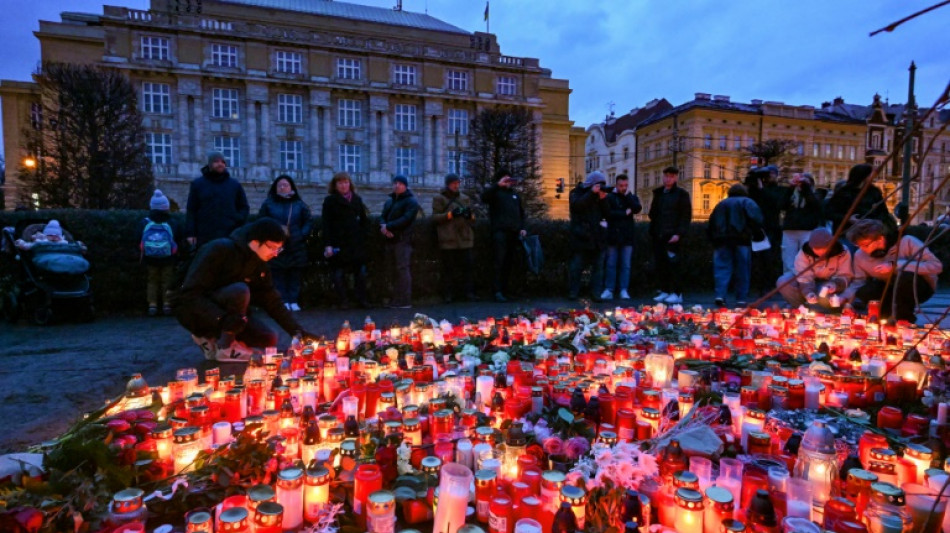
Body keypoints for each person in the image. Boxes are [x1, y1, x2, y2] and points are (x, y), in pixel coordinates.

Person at [171, 218, 315, 362]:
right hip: (194, 311)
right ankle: (225, 348)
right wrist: (221, 319)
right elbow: (189, 295)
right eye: (271, 247)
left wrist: (298, 333)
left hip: (228, 317)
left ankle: (211, 339)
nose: (275, 253)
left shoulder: (260, 264)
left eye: (279, 249)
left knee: (268, 337)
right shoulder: (220, 250)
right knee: (240, 291)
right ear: (254, 242)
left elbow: (271, 300)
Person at [841, 219, 942, 323]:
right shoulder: (860, 255)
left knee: (905, 279)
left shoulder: (907, 242)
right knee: (867, 290)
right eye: (859, 245)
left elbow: (936, 266)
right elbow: (858, 282)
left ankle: (904, 321)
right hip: (889, 287)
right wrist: (844, 297)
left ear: (880, 239)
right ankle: (882, 319)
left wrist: (896, 265)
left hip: (917, 286)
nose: (862, 249)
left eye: (865, 245)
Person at [259, 175, 313, 311]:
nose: (283, 187)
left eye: (286, 185)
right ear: (275, 188)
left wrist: (301, 234)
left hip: (295, 243)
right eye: (280, 185)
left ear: (291, 187)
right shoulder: (268, 203)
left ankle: (293, 300)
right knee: (278, 274)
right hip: (275, 244)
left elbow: (308, 221)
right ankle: (282, 301)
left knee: (295, 274)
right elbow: (261, 222)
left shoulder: (299, 204)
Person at [706, 184, 764, 307]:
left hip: (721, 240)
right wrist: (756, 234)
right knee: (742, 269)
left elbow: (711, 223)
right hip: (742, 240)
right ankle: (741, 298)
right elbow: (757, 220)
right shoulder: (748, 202)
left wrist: (713, 239)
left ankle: (720, 295)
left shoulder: (721, 204)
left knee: (721, 269)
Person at [322, 172, 371, 309]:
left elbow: (364, 220)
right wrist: (328, 245)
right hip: (339, 242)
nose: (344, 185)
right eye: (340, 183)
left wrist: (364, 235)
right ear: (335, 185)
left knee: (360, 273)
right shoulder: (330, 201)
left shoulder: (356, 199)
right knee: (338, 274)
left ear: (350, 184)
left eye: (346, 182)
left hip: (356, 243)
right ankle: (343, 301)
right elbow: (326, 224)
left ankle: (362, 300)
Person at [776, 227, 853, 312]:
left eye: (824, 251)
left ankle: (826, 310)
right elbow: (804, 278)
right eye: (816, 250)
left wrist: (834, 285)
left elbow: (845, 275)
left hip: (829, 285)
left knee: (824, 297)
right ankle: (801, 308)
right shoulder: (804, 252)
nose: (820, 255)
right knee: (783, 281)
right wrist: (808, 293)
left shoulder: (842, 252)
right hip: (810, 283)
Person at [184, 151, 250, 249]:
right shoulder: (198, 184)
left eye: (223, 162)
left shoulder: (234, 185)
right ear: (210, 164)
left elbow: (244, 207)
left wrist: (237, 218)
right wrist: (191, 233)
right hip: (205, 233)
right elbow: (191, 210)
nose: (220, 164)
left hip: (230, 232)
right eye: (216, 161)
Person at [481, 168, 527, 302]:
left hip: (514, 234)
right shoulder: (495, 193)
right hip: (500, 233)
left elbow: (521, 214)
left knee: (509, 264)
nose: (508, 182)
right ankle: (497, 291)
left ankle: (507, 290)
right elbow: (484, 197)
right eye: (505, 180)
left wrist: (522, 228)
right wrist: (497, 185)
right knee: (499, 262)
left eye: (509, 180)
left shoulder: (515, 196)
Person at [648, 166, 691, 304]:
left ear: (676, 178)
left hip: (672, 234)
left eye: (671, 176)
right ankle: (665, 290)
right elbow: (653, 213)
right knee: (661, 264)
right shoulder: (659, 193)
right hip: (659, 234)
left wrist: (679, 233)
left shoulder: (681, 194)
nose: (668, 179)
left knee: (674, 265)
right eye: (666, 176)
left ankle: (677, 292)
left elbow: (685, 216)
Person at [432, 173, 477, 303]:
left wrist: (469, 215)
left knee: (467, 269)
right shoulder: (439, 198)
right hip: (448, 239)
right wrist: (451, 214)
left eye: (458, 183)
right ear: (448, 184)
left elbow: (473, 218)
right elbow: (435, 217)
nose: (456, 185)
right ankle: (448, 295)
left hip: (464, 238)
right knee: (448, 269)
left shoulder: (465, 198)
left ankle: (468, 293)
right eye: (454, 183)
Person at [825, 163, 895, 241]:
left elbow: (883, 212)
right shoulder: (844, 192)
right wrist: (848, 219)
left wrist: (873, 221)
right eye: (870, 175)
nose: (873, 177)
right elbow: (830, 212)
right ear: (863, 176)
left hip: (869, 233)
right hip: (846, 233)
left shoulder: (874, 191)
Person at [745, 165, 787, 294]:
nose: (769, 176)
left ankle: (768, 285)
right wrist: (752, 178)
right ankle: (758, 285)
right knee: (756, 259)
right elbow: (749, 197)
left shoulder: (779, 190)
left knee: (769, 258)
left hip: (771, 228)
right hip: (757, 227)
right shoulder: (756, 189)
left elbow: (776, 204)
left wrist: (762, 189)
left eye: (772, 174)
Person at [568, 171, 610, 301]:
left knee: (598, 268)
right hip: (582, 236)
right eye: (599, 184)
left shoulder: (600, 197)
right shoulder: (577, 192)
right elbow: (577, 206)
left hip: (598, 237)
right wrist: (591, 193)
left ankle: (596, 293)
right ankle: (573, 292)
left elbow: (608, 213)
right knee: (577, 267)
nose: (600, 187)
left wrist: (603, 200)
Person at [380, 175, 420, 309]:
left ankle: (405, 300)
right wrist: (383, 227)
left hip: (403, 240)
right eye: (395, 183)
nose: (397, 185)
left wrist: (388, 227)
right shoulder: (390, 201)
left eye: (400, 183)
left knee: (402, 269)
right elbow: (382, 216)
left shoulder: (411, 201)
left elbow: (406, 219)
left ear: (405, 186)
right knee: (392, 270)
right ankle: (395, 299)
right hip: (390, 239)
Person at [140, 190, 181, 316]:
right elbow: (178, 238)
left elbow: (137, 238)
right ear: (166, 207)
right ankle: (166, 304)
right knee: (167, 280)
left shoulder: (145, 222)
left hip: (149, 257)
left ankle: (152, 304)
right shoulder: (172, 222)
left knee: (152, 280)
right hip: (168, 257)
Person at [602, 174, 642, 300]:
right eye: (621, 186)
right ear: (616, 185)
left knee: (625, 264)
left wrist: (628, 196)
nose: (623, 188)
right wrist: (624, 213)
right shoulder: (610, 197)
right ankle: (609, 289)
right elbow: (608, 213)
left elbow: (637, 208)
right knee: (611, 264)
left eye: (625, 186)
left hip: (627, 236)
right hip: (613, 235)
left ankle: (623, 289)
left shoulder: (630, 197)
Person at [780, 173, 824, 273]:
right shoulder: (791, 194)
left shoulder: (816, 194)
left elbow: (814, 205)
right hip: (790, 230)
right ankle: (788, 282)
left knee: (807, 258)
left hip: (807, 230)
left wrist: (806, 189)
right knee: (788, 259)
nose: (801, 184)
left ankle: (805, 281)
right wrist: (791, 188)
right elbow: (781, 205)